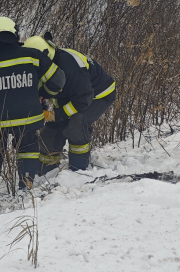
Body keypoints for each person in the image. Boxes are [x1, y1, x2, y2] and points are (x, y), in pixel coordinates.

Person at [0, 17, 66, 206]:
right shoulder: (32, 56)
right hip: (27, 118)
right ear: (14, 33)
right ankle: (26, 190)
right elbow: (58, 80)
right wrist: (43, 94)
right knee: (27, 149)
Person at [25, 34, 116, 172]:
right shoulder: (42, 64)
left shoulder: (70, 66)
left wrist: (58, 115)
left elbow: (83, 98)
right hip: (71, 97)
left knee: (77, 125)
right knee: (48, 135)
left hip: (97, 95)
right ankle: (45, 173)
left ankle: (78, 171)